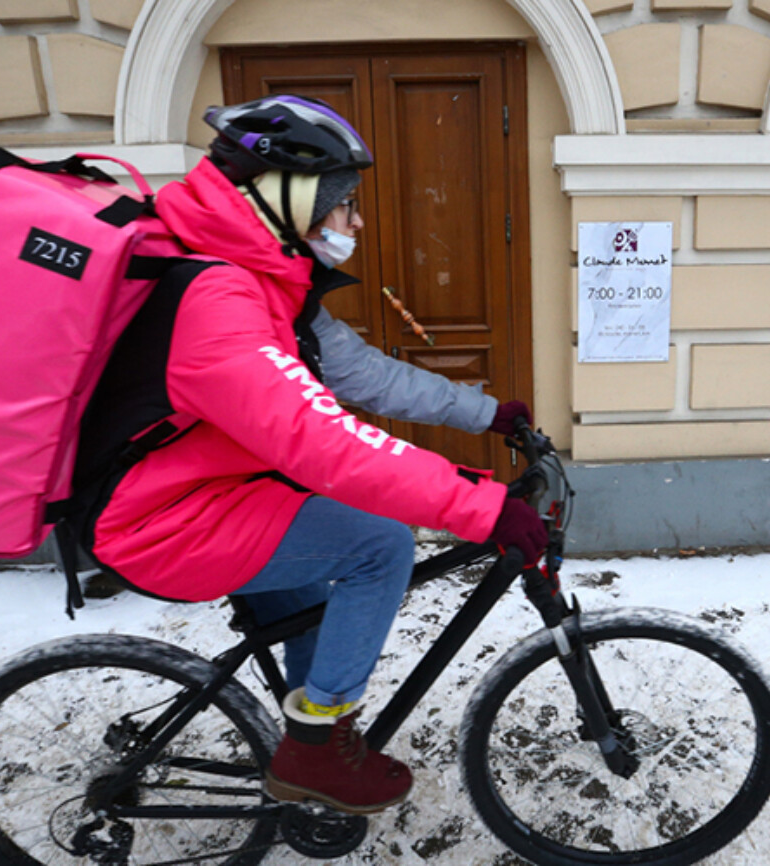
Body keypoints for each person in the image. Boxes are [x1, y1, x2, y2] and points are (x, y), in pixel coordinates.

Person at [86, 95, 546, 815]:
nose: (356, 223)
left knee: (315, 604)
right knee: (378, 545)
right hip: (161, 521)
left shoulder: (265, 282)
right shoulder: (219, 301)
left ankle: (313, 737)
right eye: (344, 205)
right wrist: (481, 505)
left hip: (215, 495)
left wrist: (489, 413)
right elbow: (318, 438)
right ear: (286, 196)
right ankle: (313, 753)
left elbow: (364, 376)